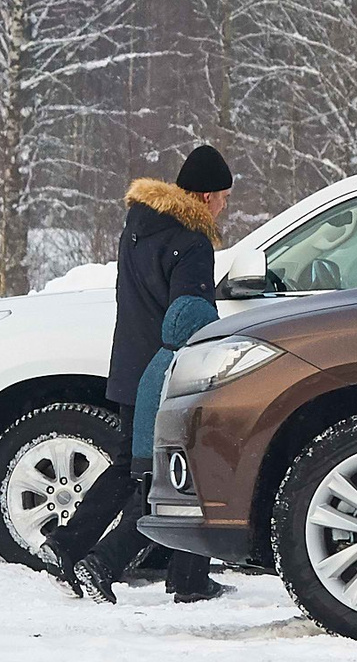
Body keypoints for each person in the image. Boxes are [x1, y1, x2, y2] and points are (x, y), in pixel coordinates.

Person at [39, 142, 230, 603]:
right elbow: (188, 318)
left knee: (131, 466)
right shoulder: (191, 241)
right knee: (177, 473)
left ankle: (67, 545)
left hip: (129, 363)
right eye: (223, 196)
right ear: (205, 197)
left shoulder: (141, 228)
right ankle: (110, 564)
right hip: (165, 375)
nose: (225, 205)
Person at [60, 293, 221, 604]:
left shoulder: (161, 360)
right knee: (161, 516)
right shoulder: (183, 366)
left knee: (180, 514)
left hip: (147, 456)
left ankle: (189, 580)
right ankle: (101, 564)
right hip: (164, 458)